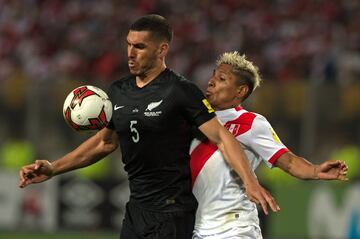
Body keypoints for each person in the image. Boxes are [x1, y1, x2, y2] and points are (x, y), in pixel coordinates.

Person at [18, 15, 279, 239]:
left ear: (162, 49)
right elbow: (104, 142)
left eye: (140, 47)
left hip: (172, 212)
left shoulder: (181, 91)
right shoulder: (118, 91)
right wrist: (53, 168)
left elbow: (222, 138)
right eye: (129, 45)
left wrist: (250, 182)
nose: (131, 53)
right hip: (136, 210)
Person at [191, 51, 349, 239]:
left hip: (235, 227)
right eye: (213, 76)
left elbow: (288, 161)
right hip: (199, 228)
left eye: (222, 79)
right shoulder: (195, 120)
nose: (211, 82)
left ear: (240, 91)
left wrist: (315, 171)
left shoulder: (251, 122)